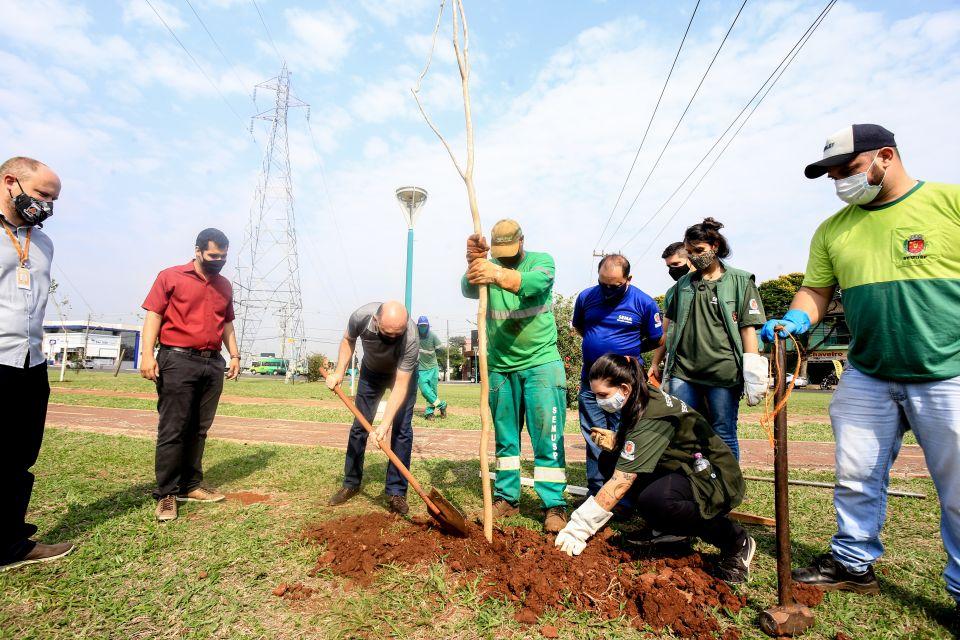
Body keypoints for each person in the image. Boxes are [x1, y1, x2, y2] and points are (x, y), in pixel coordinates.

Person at [765, 124, 960, 619]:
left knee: (958, 488)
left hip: (948, 370)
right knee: (854, 474)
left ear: (886, 157)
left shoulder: (949, 204)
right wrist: (794, 318)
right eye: (832, 175)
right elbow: (816, 293)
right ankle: (853, 563)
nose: (840, 182)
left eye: (848, 170)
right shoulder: (834, 229)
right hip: (868, 372)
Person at [555, 354, 755, 583]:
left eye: (603, 395)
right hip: (681, 466)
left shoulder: (652, 414)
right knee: (609, 460)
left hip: (712, 478)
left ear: (624, 388)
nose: (599, 401)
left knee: (657, 500)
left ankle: (735, 540)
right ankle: (669, 531)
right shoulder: (641, 395)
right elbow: (651, 442)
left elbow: (620, 483)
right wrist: (620, 441)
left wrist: (579, 528)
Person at [462, 219, 568, 533]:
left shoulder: (542, 262)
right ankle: (507, 497)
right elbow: (468, 288)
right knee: (506, 440)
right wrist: (473, 263)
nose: (504, 258)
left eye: (510, 250)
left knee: (547, 437)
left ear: (522, 241)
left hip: (540, 365)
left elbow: (534, 284)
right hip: (500, 368)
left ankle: (554, 505)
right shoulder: (487, 264)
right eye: (499, 254)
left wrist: (494, 272)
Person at [0, 156, 75, 571]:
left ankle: (10, 543)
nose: (48, 205)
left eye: (54, 199)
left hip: (29, 361)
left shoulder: (42, 241)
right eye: (44, 194)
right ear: (11, 182)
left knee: (18, 456)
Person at [141, 228, 240, 522]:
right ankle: (167, 494)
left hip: (212, 363)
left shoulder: (224, 285)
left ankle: (191, 485)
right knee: (174, 428)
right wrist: (147, 354)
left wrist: (234, 355)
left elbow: (226, 324)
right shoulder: (170, 276)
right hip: (177, 359)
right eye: (213, 255)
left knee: (199, 428)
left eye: (223, 256)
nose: (218, 260)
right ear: (198, 251)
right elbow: (154, 315)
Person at [649, 218, 768, 460]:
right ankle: (692, 487)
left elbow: (748, 329)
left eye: (699, 250)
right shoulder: (680, 287)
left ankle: (727, 490)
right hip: (684, 372)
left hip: (723, 373)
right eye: (690, 252)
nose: (694, 257)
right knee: (683, 431)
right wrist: (656, 363)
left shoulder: (740, 281)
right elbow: (667, 331)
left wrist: (753, 371)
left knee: (723, 432)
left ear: (715, 246)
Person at [573, 254, 662, 499]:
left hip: (626, 384)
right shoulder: (586, 297)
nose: (607, 290)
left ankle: (623, 497)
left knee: (625, 436)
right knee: (595, 436)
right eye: (603, 284)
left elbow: (656, 338)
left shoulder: (643, 303)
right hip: (592, 381)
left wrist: (628, 351)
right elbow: (580, 327)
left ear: (628, 279)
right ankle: (596, 492)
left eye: (614, 286)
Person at [325, 301, 419, 515]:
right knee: (359, 427)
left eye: (398, 334)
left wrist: (384, 425)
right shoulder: (361, 316)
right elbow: (348, 340)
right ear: (376, 321)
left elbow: (401, 384)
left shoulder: (411, 335)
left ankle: (396, 492)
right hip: (371, 372)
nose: (393, 338)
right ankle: (351, 483)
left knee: (402, 430)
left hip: (401, 375)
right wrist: (339, 372)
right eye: (388, 333)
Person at [416, 315, 447, 420]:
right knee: (425, 391)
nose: (423, 328)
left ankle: (429, 413)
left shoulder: (433, 336)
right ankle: (442, 405)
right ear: (417, 326)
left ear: (428, 326)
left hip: (433, 368)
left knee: (432, 392)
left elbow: (441, 350)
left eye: (425, 325)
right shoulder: (415, 336)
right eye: (421, 326)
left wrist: (436, 352)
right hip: (420, 369)